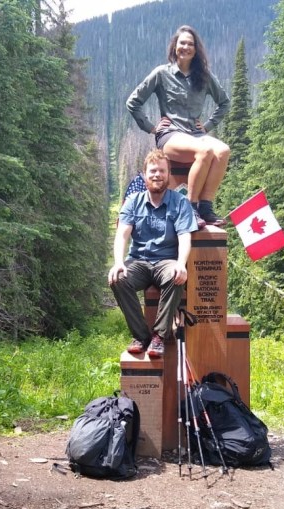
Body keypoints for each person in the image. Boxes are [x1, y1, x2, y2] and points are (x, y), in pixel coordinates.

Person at [126, 25, 231, 228]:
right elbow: (133, 102)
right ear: (175, 46)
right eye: (182, 43)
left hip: (196, 133)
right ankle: (190, 208)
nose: (186, 47)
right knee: (204, 151)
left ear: (196, 49)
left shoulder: (204, 76)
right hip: (170, 134)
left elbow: (224, 103)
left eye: (190, 44)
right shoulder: (161, 73)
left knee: (223, 151)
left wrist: (208, 125)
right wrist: (152, 128)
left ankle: (205, 207)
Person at [108, 149, 198, 358]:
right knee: (118, 279)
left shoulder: (180, 202)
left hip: (167, 261)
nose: (157, 175)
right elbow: (122, 235)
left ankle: (159, 336)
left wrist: (181, 263)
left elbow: (185, 236)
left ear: (168, 175)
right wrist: (118, 262)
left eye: (162, 171)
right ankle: (141, 336)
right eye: (153, 171)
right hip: (138, 261)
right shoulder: (133, 201)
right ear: (145, 174)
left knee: (176, 276)